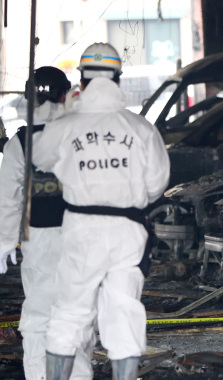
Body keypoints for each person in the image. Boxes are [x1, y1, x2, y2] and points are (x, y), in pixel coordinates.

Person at [32, 43, 170, 380]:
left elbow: (39, 159)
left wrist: (66, 114)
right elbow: (157, 185)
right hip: (127, 232)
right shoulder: (140, 128)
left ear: (82, 81)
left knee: (69, 312)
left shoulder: (65, 127)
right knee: (124, 311)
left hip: (82, 230)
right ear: (118, 80)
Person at [0, 66, 96, 380]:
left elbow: (8, 199)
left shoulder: (21, 143)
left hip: (39, 237)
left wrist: (4, 243)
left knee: (40, 314)